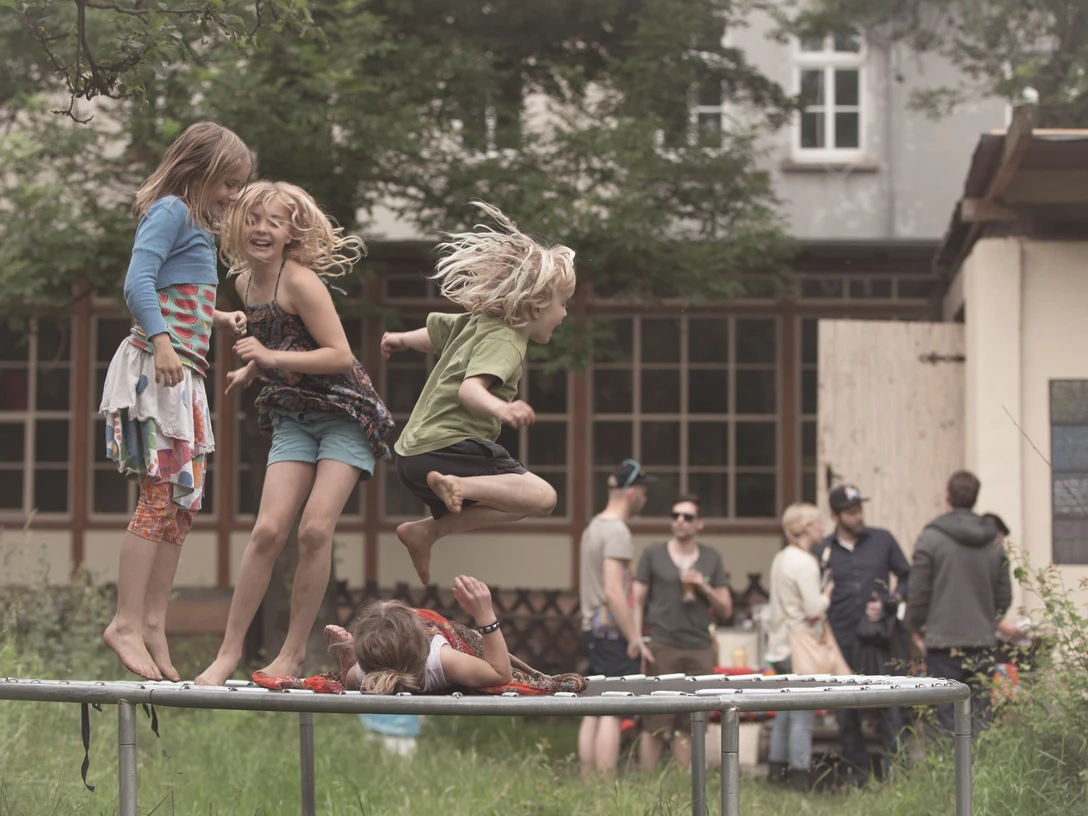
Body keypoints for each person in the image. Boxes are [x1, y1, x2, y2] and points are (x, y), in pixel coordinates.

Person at [195, 181, 394, 686]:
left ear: (290, 234)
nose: (262, 229)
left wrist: (268, 358)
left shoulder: (301, 281)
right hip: (293, 414)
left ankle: (291, 654)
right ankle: (227, 653)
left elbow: (340, 356)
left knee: (313, 530)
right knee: (265, 532)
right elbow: (280, 341)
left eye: (275, 222)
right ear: (239, 224)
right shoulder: (243, 283)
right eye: (254, 218)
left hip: (345, 413)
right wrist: (256, 370)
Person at [99, 122, 252, 681]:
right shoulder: (169, 210)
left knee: (182, 506)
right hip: (157, 373)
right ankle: (125, 621)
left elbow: (174, 290)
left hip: (185, 376)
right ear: (201, 168)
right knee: (159, 498)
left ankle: (155, 622)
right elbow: (137, 283)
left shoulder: (196, 225)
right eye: (229, 183)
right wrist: (163, 343)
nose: (234, 196)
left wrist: (217, 316)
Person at [379, 203, 576, 585]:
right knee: (543, 498)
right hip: (448, 449)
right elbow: (471, 391)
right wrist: (502, 410)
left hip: (411, 457)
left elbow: (433, 334)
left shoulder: (479, 321)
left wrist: (399, 339)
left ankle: (426, 531)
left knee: (514, 502)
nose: (565, 315)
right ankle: (458, 486)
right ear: (536, 306)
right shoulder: (508, 339)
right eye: (562, 305)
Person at [322, 576, 585, 696]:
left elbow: (348, 680)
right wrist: (486, 618)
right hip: (449, 643)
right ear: (419, 635)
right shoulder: (441, 659)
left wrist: (346, 656)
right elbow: (500, 672)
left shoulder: (369, 673)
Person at [813, 484, 911, 786]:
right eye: (851, 512)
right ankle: (857, 775)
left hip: (879, 637)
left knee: (890, 704)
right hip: (840, 637)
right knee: (845, 708)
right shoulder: (823, 550)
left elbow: (908, 575)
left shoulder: (882, 540)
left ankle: (897, 775)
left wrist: (889, 603)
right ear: (835, 515)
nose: (858, 517)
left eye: (859, 510)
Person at [632, 494, 731, 772]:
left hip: (699, 646)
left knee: (691, 723)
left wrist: (705, 587)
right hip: (662, 644)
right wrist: (638, 639)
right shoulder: (653, 553)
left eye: (687, 517)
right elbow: (637, 600)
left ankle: (683, 784)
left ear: (700, 523)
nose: (680, 521)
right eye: (675, 515)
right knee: (655, 722)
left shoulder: (712, 558)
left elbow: (725, 609)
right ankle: (645, 785)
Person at [908, 472, 1012, 733]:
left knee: (943, 719)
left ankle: (945, 772)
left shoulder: (931, 538)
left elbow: (918, 591)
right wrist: (990, 621)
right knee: (980, 717)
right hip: (982, 641)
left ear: (947, 496)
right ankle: (981, 772)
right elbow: (1004, 596)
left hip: (942, 643)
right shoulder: (994, 542)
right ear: (975, 497)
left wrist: (916, 629)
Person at [576, 459, 654, 778]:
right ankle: (604, 785)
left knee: (593, 705)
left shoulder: (594, 526)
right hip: (610, 631)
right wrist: (634, 637)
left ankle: (586, 777)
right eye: (644, 492)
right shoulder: (618, 531)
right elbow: (613, 590)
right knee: (612, 706)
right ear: (631, 492)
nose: (646, 499)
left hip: (592, 629)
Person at [764, 503, 849, 790]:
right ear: (802, 528)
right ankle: (800, 777)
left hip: (779, 645)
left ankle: (776, 773)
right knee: (802, 716)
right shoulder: (805, 562)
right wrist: (827, 593)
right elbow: (814, 609)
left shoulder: (781, 558)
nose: (821, 527)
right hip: (800, 645)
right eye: (815, 522)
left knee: (785, 713)